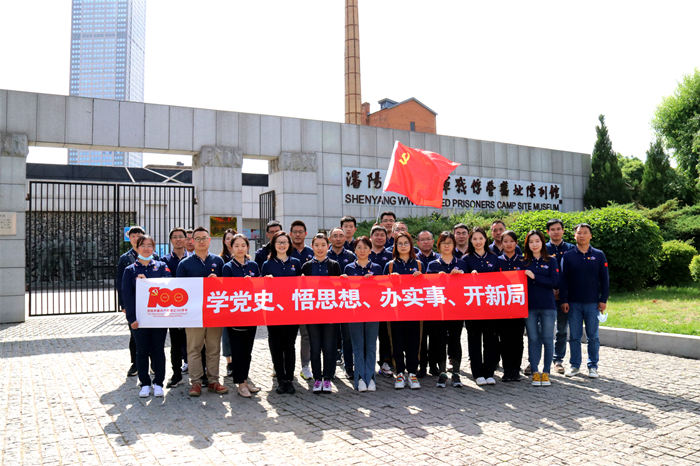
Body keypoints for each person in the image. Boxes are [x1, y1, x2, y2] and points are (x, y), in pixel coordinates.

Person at [177, 227, 228, 397]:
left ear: (209, 240)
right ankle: (196, 382)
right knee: (194, 349)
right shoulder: (184, 264)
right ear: (192, 241)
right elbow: (180, 290)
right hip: (194, 313)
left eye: (204, 238)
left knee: (213, 348)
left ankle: (213, 380)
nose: (201, 241)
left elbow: (227, 287)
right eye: (197, 238)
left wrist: (218, 281)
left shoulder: (218, 261)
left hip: (214, 311)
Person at [121, 235, 171, 398]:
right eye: (143, 245)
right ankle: (145, 383)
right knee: (142, 351)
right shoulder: (130, 270)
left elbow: (169, 286)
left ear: (153, 248)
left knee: (158, 350)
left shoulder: (161, 266)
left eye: (150, 245)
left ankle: (158, 383)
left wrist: (148, 281)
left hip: (158, 317)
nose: (146, 248)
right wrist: (131, 319)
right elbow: (127, 296)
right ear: (137, 248)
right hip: (140, 319)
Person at [560, 223, 609, 379]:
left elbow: (605, 279)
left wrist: (603, 299)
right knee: (574, 336)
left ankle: (593, 366)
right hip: (573, 303)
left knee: (593, 336)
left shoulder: (599, 255)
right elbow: (563, 280)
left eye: (585, 232)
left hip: (592, 303)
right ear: (574, 236)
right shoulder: (568, 256)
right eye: (579, 233)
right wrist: (564, 300)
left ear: (590, 235)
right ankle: (575, 365)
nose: (582, 235)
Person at [301, 233, 342, 394]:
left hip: (330, 312)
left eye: (323, 245)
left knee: (329, 347)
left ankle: (328, 378)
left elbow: (339, 288)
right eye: (316, 245)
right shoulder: (306, 267)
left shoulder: (334, 265)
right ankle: (317, 378)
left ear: (328, 246)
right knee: (315, 346)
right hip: (312, 313)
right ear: (312, 246)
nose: (320, 248)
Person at [262, 230, 302, 394]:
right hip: (273, 312)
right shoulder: (267, 264)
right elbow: (261, 289)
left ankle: (289, 379)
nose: (282, 245)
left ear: (289, 245)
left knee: (289, 345)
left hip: (292, 311)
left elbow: (301, 286)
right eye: (279, 242)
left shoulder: (296, 263)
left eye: (285, 242)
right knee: (276, 346)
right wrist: (266, 281)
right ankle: (280, 379)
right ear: (273, 245)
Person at [222, 233, 262, 398]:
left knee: (247, 350)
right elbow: (226, 290)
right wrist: (241, 284)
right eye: (236, 245)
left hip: (251, 314)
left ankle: (245, 379)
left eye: (243, 245)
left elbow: (260, 286)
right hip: (236, 314)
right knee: (237, 351)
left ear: (247, 247)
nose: (240, 249)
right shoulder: (228, 267)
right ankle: (240, 383)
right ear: (231, 248)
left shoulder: (253, 265)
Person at [426, 231, 467, 388]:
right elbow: (427, 286)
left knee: (455, 340)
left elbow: (469, 285)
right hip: (439, 310)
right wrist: (438, 278)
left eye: (449, 243)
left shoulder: (461, 263)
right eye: (443, 243)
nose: (447, 246)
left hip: (457, 309)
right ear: (439, 246)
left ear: (454, 245)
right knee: (440, 341)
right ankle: (442, 372)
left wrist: (460, 276)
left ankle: (456, 372)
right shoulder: (433, 265)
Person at [385, 231, 423, 390]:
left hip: (415, 311)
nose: (403, 246)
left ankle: (412, 373)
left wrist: (421, 278)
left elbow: (427, 288)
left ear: (411, 245)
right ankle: (399, 373)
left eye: (406, 243)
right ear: (395, 246)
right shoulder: (390, 265)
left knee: (414, 344)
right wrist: (390, 280)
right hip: (396, 312)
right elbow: (381, 289)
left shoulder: (419, 264)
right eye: (399, 243)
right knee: (397, 343)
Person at [462, 226, 500, 386]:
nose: (478, 242)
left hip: (490, 306)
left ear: (486, 239)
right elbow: (460, 283)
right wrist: (469, 277)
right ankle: (477, 373)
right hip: (473, 308)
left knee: (491, 340)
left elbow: (500, 280)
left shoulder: (494, 258)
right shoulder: (466, 259)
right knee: (474, 340)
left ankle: (489, 372)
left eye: (481, 238)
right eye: (475, 239)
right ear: (470, 241)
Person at [345, 236, 383, 392]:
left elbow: (383, 290)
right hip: (355, 312)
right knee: (358, 346)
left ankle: (371, 377)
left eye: (365, 247)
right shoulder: (348, 268)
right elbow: (345, 290)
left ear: (370, 250)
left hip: (373, 311)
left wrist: (373, 281)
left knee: (371, 346)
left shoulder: (377, 268)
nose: (362, 250)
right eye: (359, 247)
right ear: (354, 250)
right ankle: (360, 378)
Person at [521, 230, 559, 387]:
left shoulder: (551, 260)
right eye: (531, 242)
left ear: (542, 242)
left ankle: (546, 372)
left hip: (548, 306)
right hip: (529, 307)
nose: (534, 244)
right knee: (533, 339)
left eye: (537, 241)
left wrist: (535, 277)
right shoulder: (524, 262)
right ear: (527, 245)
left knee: (548, 339)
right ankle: (535, 372)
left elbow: (555, 282)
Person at [545, 219, 575, 374]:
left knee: (562, 330)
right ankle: (537, 361)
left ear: (563, 230)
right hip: (545, 296)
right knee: (543, 331)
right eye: (552, 229)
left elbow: (573, 273)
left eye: (558, 229)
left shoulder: (571, 249)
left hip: (565, 297)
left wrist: (563, 292)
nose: (556, 232)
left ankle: (558, 360)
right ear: (548, 232)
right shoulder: (542, 248)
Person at [116, 225, 146, 378]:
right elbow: (119, 282)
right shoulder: (125, 258)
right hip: (132, 301)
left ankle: (152, 363)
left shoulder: (152, 256)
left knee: (151, 333)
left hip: (149, 301)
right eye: (133, 236)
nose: (136, 238)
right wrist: (123, 304)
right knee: (134, 333)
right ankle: (135, 363)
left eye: (138, 235)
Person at [496, 230, 526, 382]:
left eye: (511, 241)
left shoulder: (523, 261)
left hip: (519, 306)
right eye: (505, 241)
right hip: (502, 307)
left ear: (516, 243)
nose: (508, 244)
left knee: (517, 339)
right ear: (501, 244)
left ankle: (516, 369)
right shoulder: (497, 261)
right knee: (504, 339)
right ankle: (507, 370)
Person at [162, 227, 190, 388]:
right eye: (175, 237)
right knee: (175, 343)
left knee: (194, 342)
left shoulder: (192, 259)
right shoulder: (164, 261)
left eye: (181, 236)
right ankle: (176, 374)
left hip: (192, 307)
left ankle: (198, 374)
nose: (178, 239)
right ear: (171, 240)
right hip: (173, 308)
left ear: (186, 239)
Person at [328, 227, 356, 378]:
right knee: (331, 337)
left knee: (347, 337)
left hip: (347, 302)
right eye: (335, 236)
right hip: (329, 302)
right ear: (330, 239)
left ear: (345, 238)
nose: (338, 238)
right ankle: (330, 369)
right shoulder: (325, 256)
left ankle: (349, 367)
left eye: (341, 236)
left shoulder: (351, 256)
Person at [289, 220, 314, 381]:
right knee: (288, 337)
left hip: (306, 301)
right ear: (290, 234)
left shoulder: (312, 252)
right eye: (295, 232)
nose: (298, 235)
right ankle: (284, 366)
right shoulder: (285, 250)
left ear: (305, 234)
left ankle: (305, 366)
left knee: (306, 336)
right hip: (288, 302)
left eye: (300, 232)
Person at [369, 225, 394, 377]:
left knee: (385, 334)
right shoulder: (364, 252)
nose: (379, 237)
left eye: (382, 235)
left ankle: (385, 362)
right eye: (376, 234)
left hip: (386, 301)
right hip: (367, 302)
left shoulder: (392, 255)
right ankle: (366, 364)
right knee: (369, 335)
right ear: (371, 237)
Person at [415, 230, 440, 377]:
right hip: (418, 304)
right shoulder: (414, 260)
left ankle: (434, 364)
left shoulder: (439, 259)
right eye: (422, 239)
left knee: (435, 337)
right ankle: (422, 365)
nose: (425, 242)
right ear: (417, 243)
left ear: (433, 241)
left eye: (428, 239)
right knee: (421, 338)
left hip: (435, 303)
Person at [219, 228, 236, 376]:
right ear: (224, 241)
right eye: (227, 238)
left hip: (240, 301)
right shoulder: (220, 260)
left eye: (232, 238)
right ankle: (229, 362)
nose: (230, 241)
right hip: (226, 301)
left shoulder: (245, 259)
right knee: (226, 333)